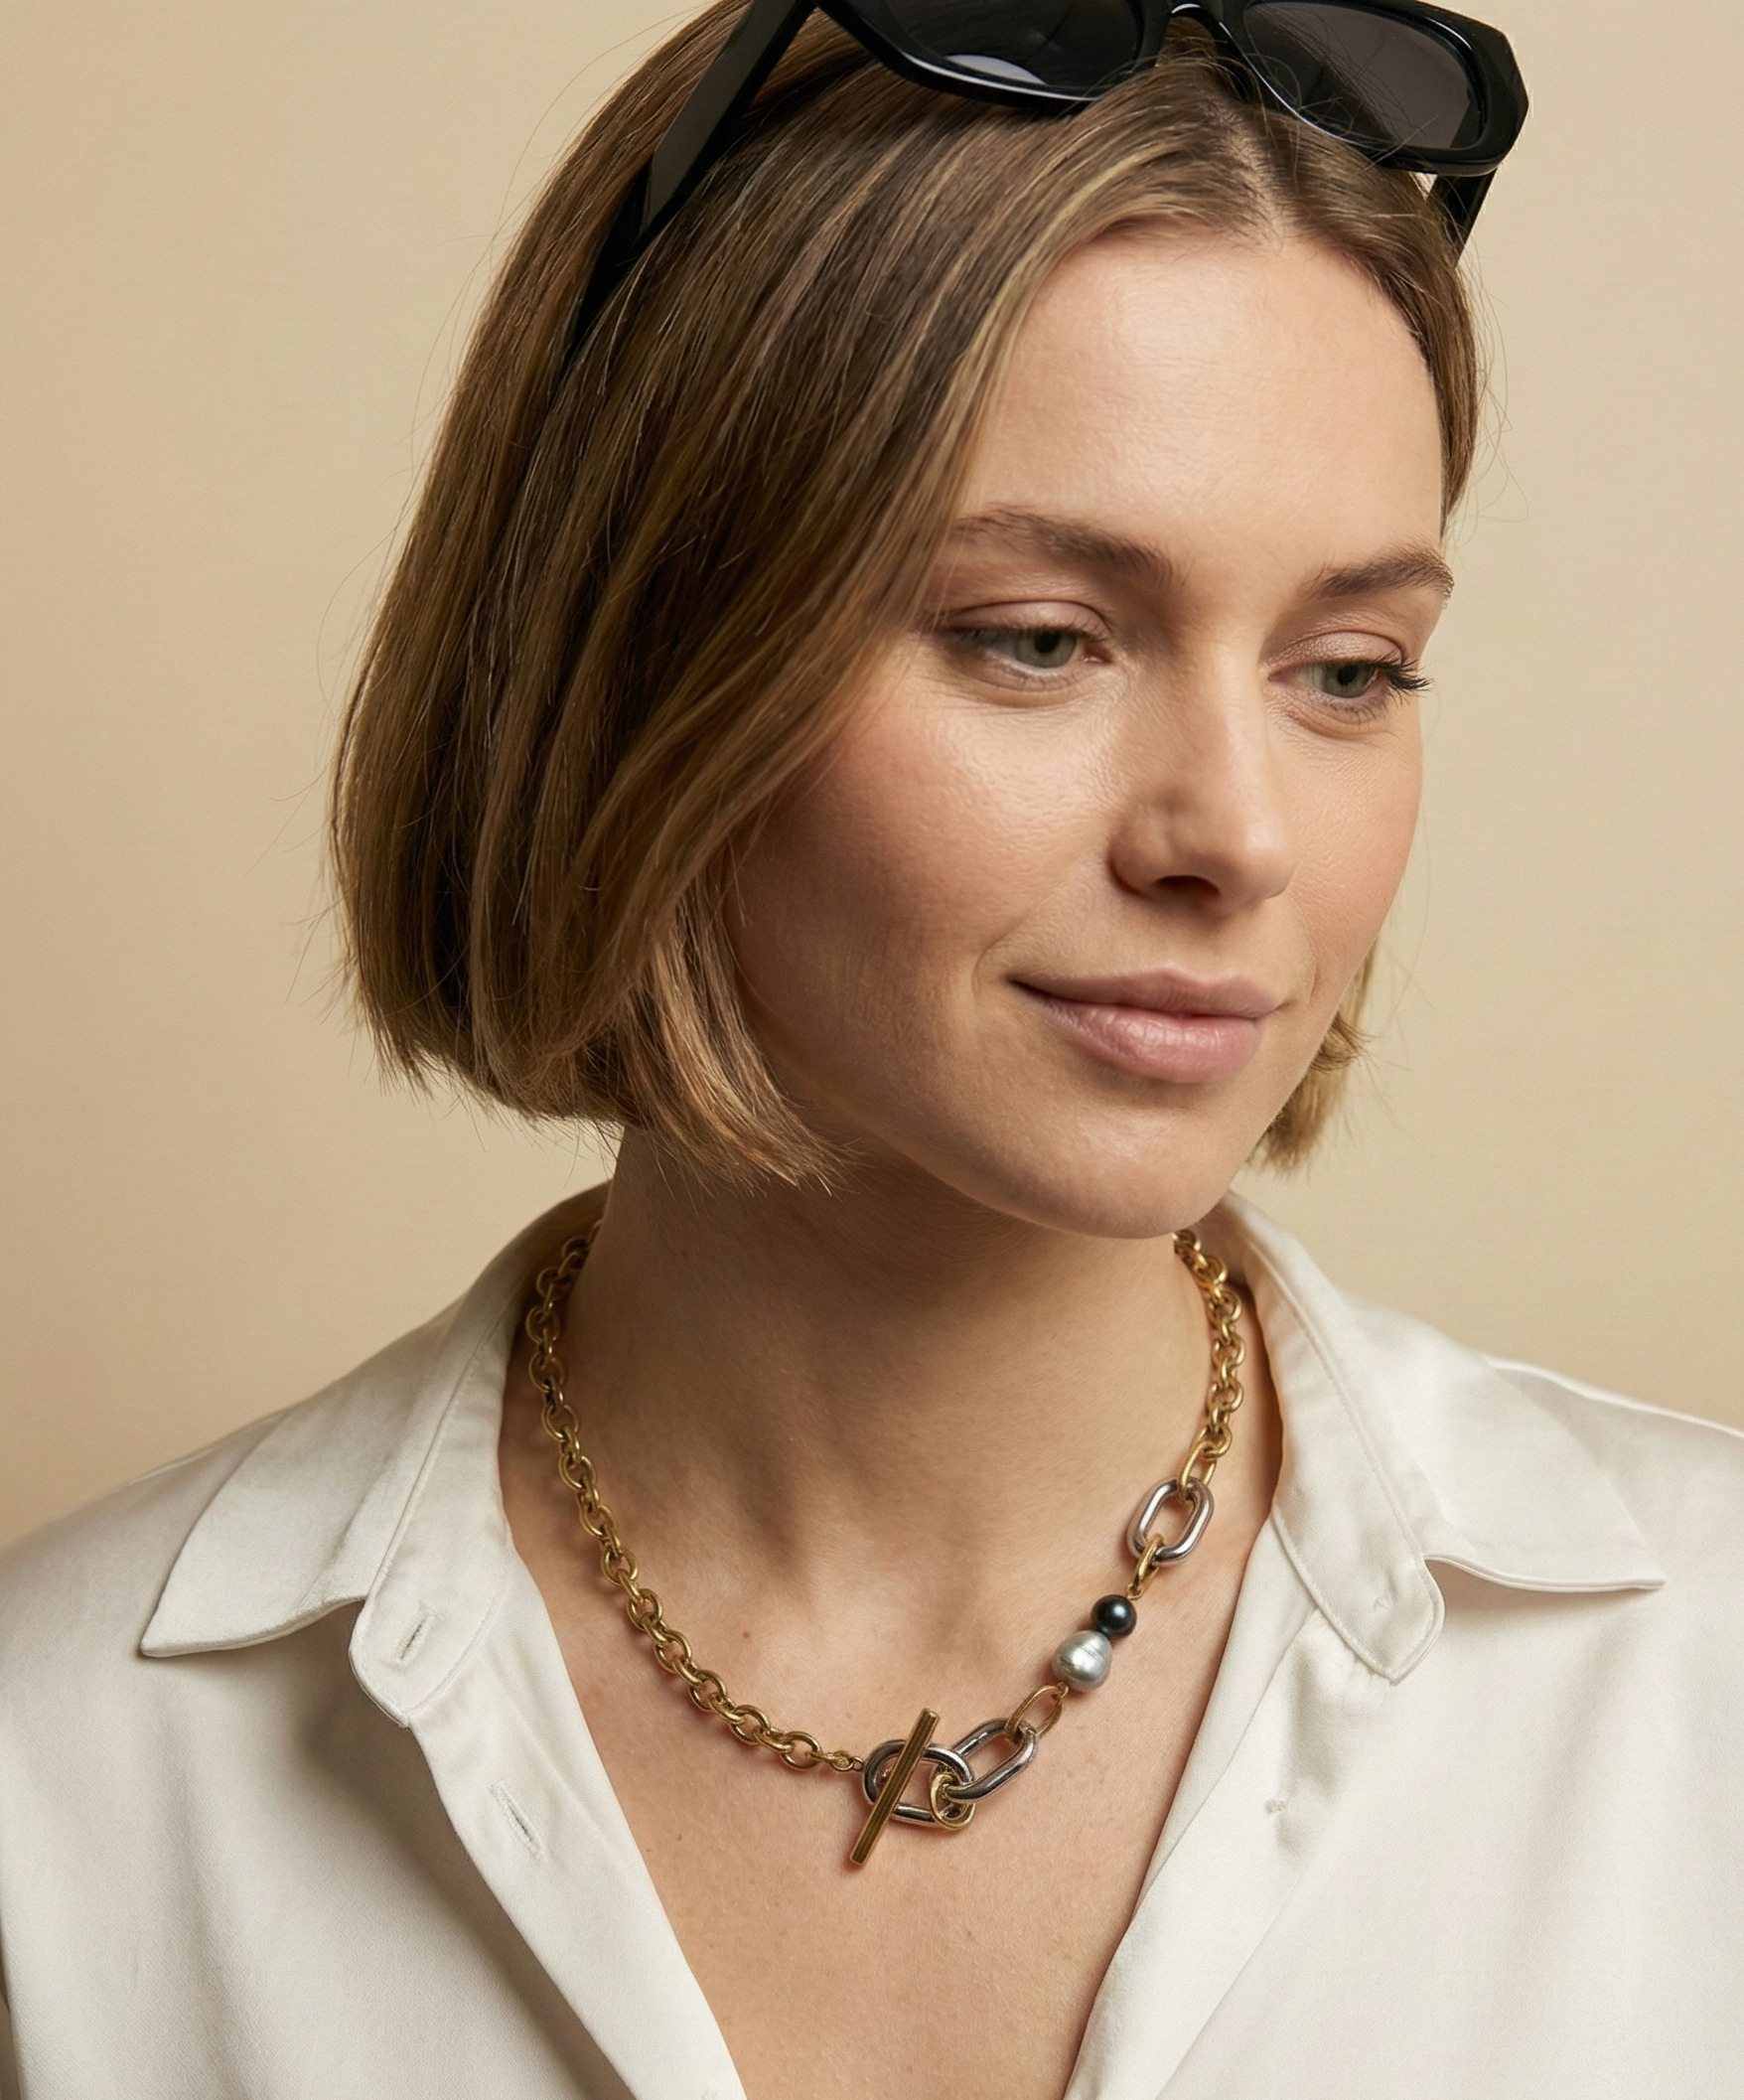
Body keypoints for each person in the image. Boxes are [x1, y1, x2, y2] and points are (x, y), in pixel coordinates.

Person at [1, 3, 1738, 2096]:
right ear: (648, 664)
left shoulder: (1698, 1676)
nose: (1239, 836)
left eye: (1348, 670)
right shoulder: (65, 1768)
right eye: (1039, 639)